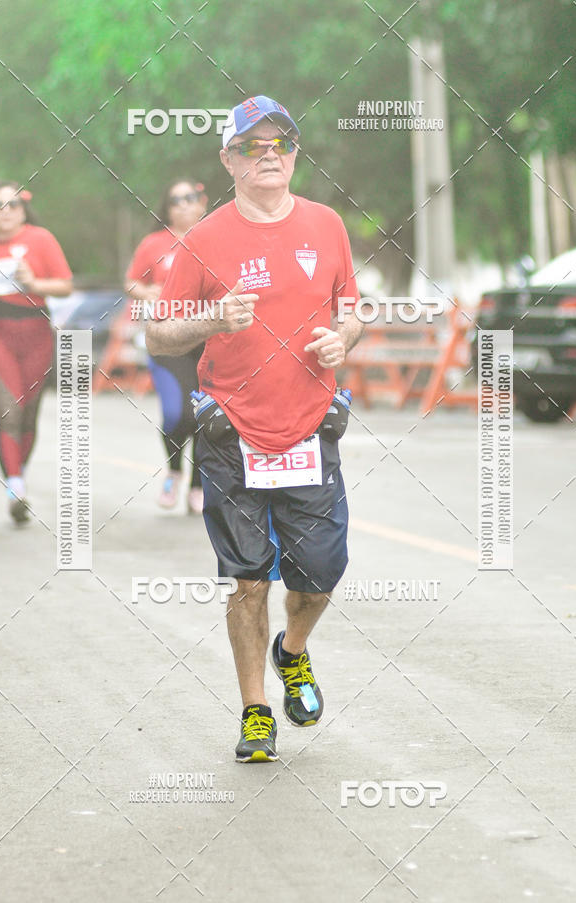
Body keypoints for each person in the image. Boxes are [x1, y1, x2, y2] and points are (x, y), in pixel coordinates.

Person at [146, 95, 363, 762]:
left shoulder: (327, 225)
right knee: (248, 578)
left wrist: (343, 338)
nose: (269, 155)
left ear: (295, 153)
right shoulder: (203, 240)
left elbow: (351, 308)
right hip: (232, 430)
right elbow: (158, 334)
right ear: (228, 159)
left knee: (321, 575)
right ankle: (255, 710)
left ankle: (291, 651)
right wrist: (212, 320)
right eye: (252, 146)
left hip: (308, 428)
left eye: (281, 144)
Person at [0, 181, 73, 523]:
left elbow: (64, 286)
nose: (6, 212)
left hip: (36, 331)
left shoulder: (40, 239)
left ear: (24, 210)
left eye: (14, 205)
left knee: (29, 413)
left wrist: (34, 282)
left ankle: (17, 474)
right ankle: (16, 487)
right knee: (10, 410)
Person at [125, 179, 207, 513]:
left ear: (203, 202)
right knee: (178, 413)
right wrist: (145, 293)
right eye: (176, 200)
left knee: (208, 414)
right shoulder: (154, 243)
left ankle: (198, 486)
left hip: (210, 340)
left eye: (191, 198)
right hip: (166, 340)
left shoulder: (216, 238)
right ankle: (174, 470)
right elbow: (132, 281)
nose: (184, 204)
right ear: (167, 208)